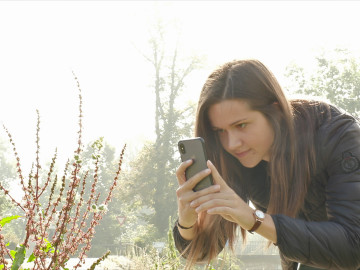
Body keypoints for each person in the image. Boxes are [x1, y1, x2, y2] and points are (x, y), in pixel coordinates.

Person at [173, 59, 360, 270]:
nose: (232, 143)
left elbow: (353, 248)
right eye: (220, 131)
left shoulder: (338, 136)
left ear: (276, 112)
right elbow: (204, 253)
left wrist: (254, 219)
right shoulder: (236, 158)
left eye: (241, 125)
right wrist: (188, 220)